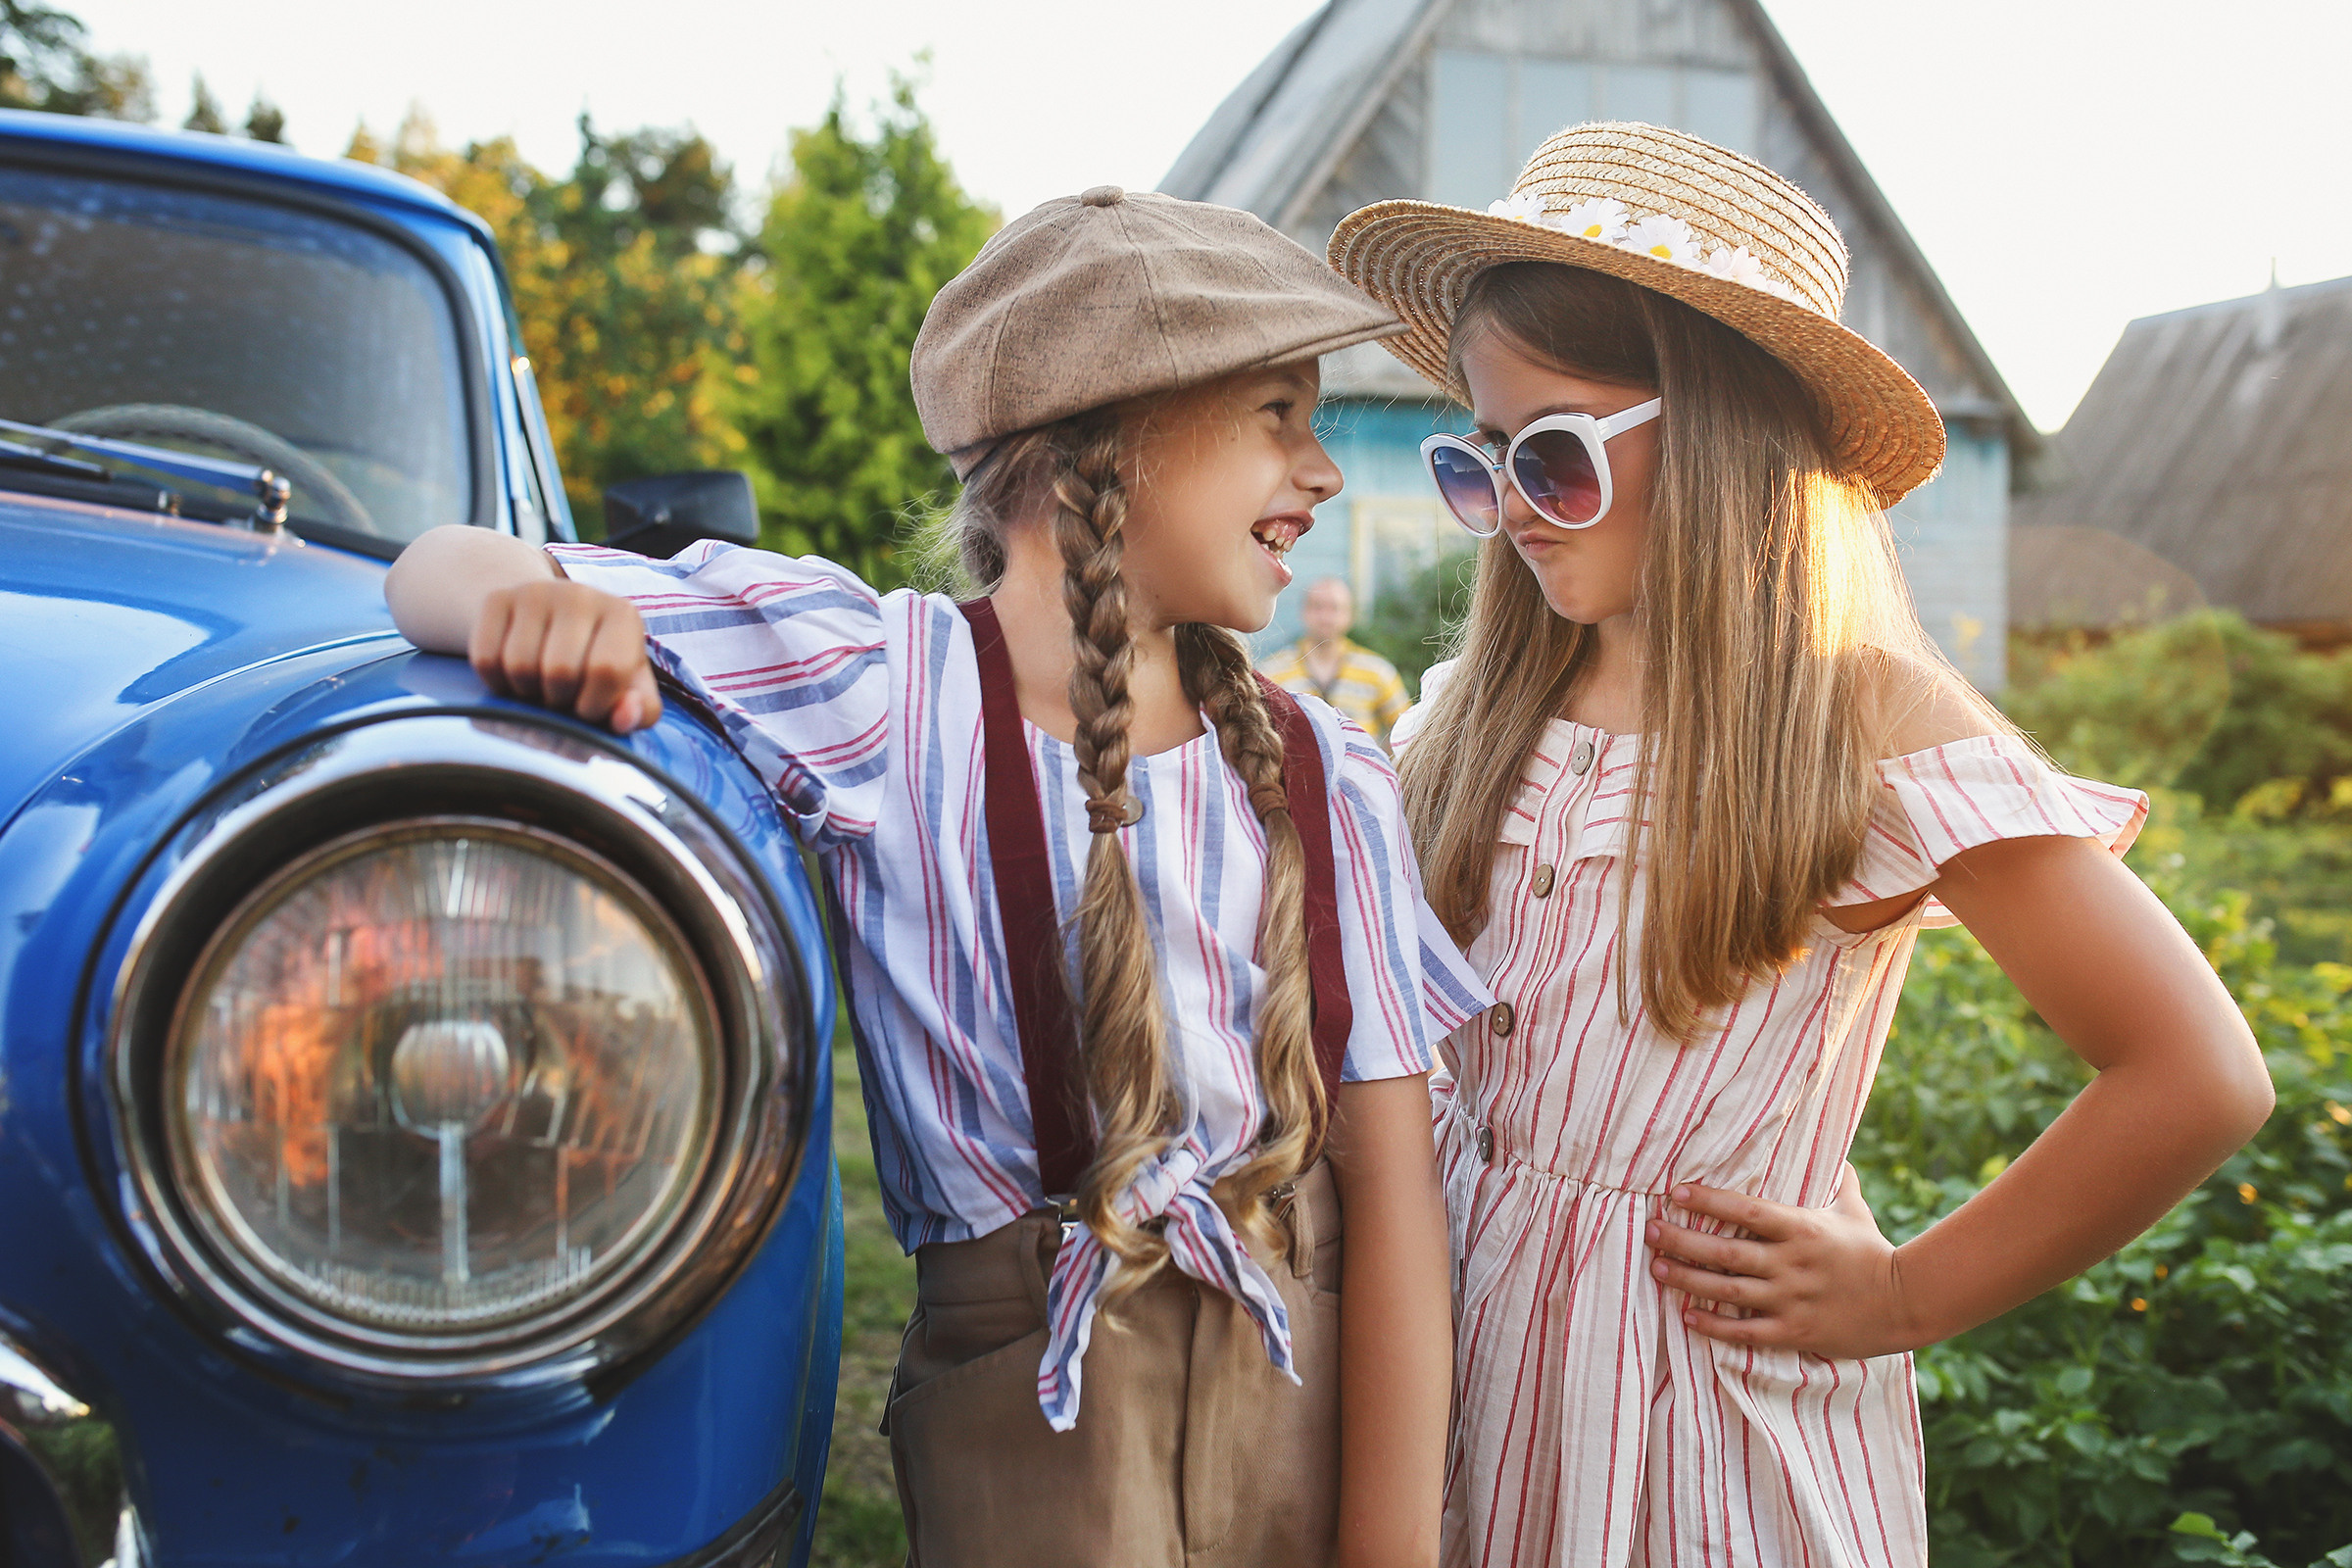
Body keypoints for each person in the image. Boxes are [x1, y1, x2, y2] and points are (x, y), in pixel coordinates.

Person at [385, 185, 1489, 1568]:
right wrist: (525, 604)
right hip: (1029, 1413)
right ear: (1112, 433)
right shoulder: (879, 684)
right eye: (1281, 413)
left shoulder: (1326, 771)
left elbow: (1391, 1189)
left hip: (1303, 1380)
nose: (1322, 471)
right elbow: (434, 564)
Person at [1327, 122, 2274, 1567]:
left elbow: (2198, 1071)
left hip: (1696, 1403)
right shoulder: (1475, 708)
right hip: (1447, 1335)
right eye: (1485, 457)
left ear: (1718, 441)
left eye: (1560, 456)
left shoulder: (1866, 723)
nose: (1510, 506)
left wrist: (1905, 1296)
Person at [1258, 576, 1413, 749]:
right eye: (1317, 607)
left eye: (1335, 608)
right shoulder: (1273, 671)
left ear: (1350, 615)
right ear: (1304, 612)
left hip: (1362, 773)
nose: (1325, 617)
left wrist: (1386, 764)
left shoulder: (1377, 670)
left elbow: (1407, 729)